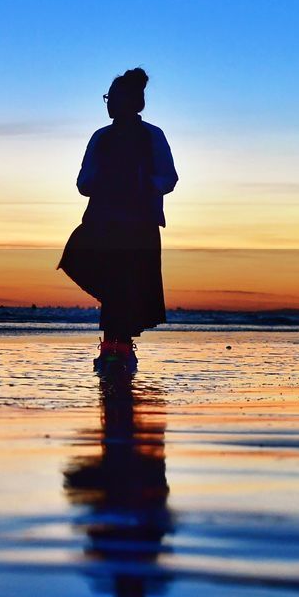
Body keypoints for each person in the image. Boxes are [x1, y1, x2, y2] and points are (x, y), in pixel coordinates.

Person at [59, 68, 178, 371]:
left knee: (122, 286)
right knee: (83, 263)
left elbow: (169, 177)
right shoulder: (101, 137)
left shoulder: (152, 135)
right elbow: (83, 182)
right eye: (107, 98)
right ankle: (117, 346)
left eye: (112, 97)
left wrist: (142, 184)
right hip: (103, 221)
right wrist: (104, 182)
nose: (109, 103)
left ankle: (116, 349)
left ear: (132, 102)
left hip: (139, 224)